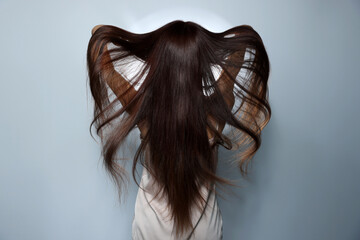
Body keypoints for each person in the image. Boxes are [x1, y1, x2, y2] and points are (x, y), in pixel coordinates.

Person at [87, 20, 271, 239]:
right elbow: (241, 43)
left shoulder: (144, 111)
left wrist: (135, 42)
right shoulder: (216, 111)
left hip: (151, 230)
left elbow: (106, 64)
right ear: (200, 66)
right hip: (205, 231)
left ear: (160, 65)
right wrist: (213, 43)